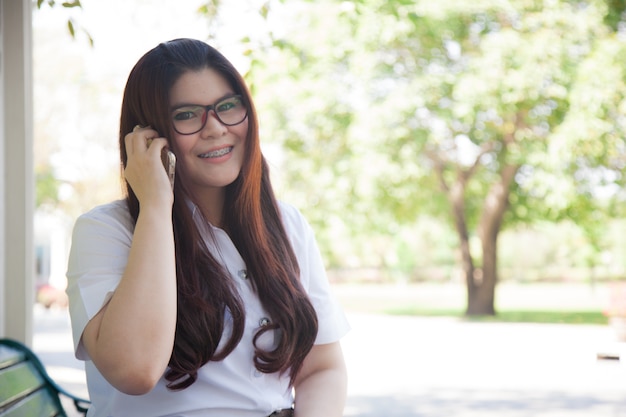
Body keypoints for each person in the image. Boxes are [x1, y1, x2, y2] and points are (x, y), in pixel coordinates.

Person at [66, 38, 350, 417]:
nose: (215, 128)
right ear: (147, 136)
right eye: (186, 115)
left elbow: (322, 367)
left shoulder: (287, 224)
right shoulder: (106, 231)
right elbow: (135, 370)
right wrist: (155, 206)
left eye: (228, 106)